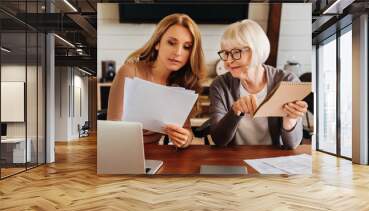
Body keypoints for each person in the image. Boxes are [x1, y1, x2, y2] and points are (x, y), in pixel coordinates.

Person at [107, 13, 207, 148]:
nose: (178, 52)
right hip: (121, 151)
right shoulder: (130, 72)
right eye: (171, 43)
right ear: (157, 43)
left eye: (186, 47)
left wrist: (185, 139)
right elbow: (113, 130)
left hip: (154, 157)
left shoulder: (181, 84)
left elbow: (187, 130)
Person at [209, 19, 307, 149]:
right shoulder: (220, 85)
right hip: (235, 160)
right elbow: (219, 140)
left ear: (255, 50)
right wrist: (235, 111)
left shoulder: (287, 81)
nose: (228, 61)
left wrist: (290, 120)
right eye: (225, 53)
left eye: (236, 52)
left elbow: (291, 145)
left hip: (273, 160)